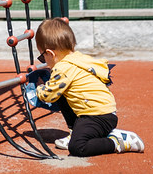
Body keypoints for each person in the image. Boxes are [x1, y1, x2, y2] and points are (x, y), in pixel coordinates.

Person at [32, 17, 144, 157]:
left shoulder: (63, 69)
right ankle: (75, 132)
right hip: (100, 112)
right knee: (62, 94)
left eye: (42, 57)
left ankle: (118, 141)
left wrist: (38, 88)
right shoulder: (78, 58)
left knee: (78, 148)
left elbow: (49, 95)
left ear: (50, 53)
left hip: (98, 117)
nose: (44, 61)